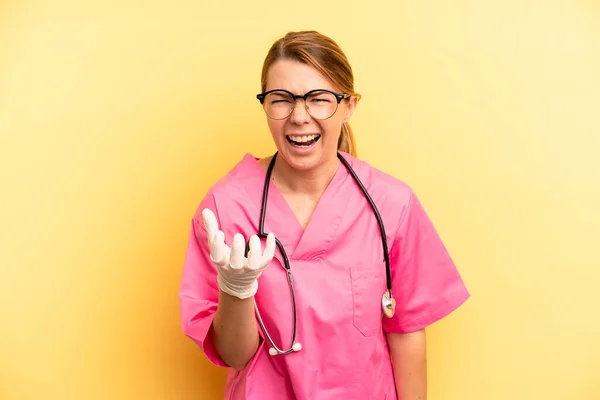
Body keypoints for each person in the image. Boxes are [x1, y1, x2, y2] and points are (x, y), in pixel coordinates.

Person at [179, 30, 470, 400]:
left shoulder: (391, 204)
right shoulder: (227, 207)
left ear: (349, 105)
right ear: (265, 105)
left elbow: (407, 331)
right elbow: (236, 356)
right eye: (281, 99)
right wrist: (236, 291)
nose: (299, 117)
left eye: (318, 99)